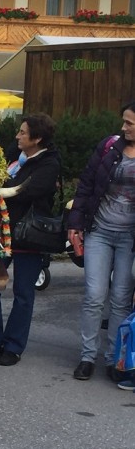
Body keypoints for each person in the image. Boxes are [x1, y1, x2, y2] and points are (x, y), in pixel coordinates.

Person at [0, 114, 60, 366]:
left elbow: (22, 192)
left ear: (38, 138)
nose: (17, 136)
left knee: (23, 292)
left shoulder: (49, 164)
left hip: (28, 236)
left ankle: (13, 346)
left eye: (23, 132)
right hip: (1, 231)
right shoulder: (15, 154)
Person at [68, 102, 135, 382]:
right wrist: (75, 223)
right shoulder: (109, 147)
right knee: (94, 296)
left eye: (130, 123)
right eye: (124, 121)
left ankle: (114, 359)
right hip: (100, 231)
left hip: (130, 239)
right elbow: (85, 185)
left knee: (120, 299)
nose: (124, 127)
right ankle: (87, 356)